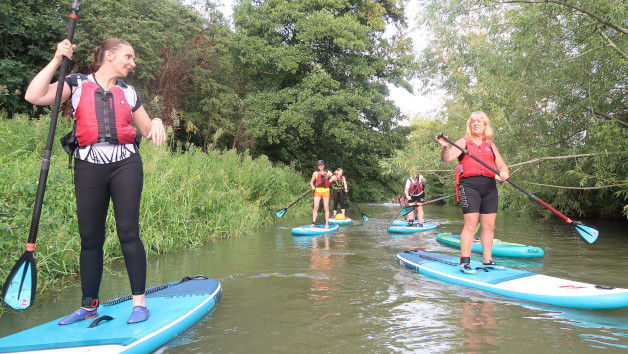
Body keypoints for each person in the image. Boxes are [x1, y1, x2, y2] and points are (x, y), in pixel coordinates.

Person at [25, 38, 166, 324]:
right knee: (90, 239)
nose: (132, 62)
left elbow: (149, 130)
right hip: (89, 166)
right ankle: (89, 305)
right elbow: (34, 95)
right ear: (110, 56)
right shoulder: (76, 83)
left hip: (126, 164)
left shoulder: (128, 91)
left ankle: (139, 304)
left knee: (129, 232)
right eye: (129, 56)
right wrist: (55, 60)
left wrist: (158, 121)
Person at [435, 111, 510, 275]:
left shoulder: (490, 144)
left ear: (485, 125)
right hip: (469, 185)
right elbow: (446, 158)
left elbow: (502, 166)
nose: (475, 124)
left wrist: (504, 173)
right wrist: (445, 147)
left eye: (479, 121)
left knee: (489, 226)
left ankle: (487, 261)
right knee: (471, 224)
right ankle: (465, 262)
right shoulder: (464, 141)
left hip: (489, 186)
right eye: (472, 122)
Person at [310, 160, 337, 228]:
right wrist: (312, 186)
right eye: (319, 165)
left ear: (324, 165)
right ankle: (313, 222)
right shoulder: (315, 173)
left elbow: (334, 178)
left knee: (326, 208)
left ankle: (327, 224)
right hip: (317, 191)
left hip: (326, 191)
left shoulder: (328, 172)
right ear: (318, 166)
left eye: (321, 165)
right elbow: (311, 182)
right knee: (316, 207)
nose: (320, 166)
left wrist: (332, 178)